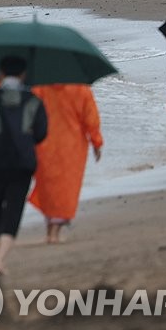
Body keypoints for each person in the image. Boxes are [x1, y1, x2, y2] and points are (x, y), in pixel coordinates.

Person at [0, 56, 48, 275]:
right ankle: (1, 261)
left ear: (0, 74)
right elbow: (42, 132)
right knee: (14, 207)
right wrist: (26, 140)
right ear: (23, 74)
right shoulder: (34, 100)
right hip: (23, 162)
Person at [28, 84, 103, 243]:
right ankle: (54, 230)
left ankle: (50, 228)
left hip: (44, 145)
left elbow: (30, 114)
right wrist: (96, 142)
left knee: (47, 187)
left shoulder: (41, 88)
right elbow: (91, 117)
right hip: (72, 146)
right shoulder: (81, 89)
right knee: (66, 187)